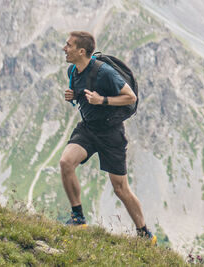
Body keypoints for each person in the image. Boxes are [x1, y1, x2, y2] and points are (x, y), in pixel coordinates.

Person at [61, 31, 156, 244]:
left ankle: (144, 234)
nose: (64, 48)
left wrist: (101, 100)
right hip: (88, 128)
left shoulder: (104, 72)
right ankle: (78, 218)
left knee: (120, 188)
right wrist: (73, 96)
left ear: (81, 51)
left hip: (111, 133)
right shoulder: (73, 70)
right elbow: (83, 93)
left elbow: (130, 97)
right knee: (66, 162)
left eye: (68, 45)